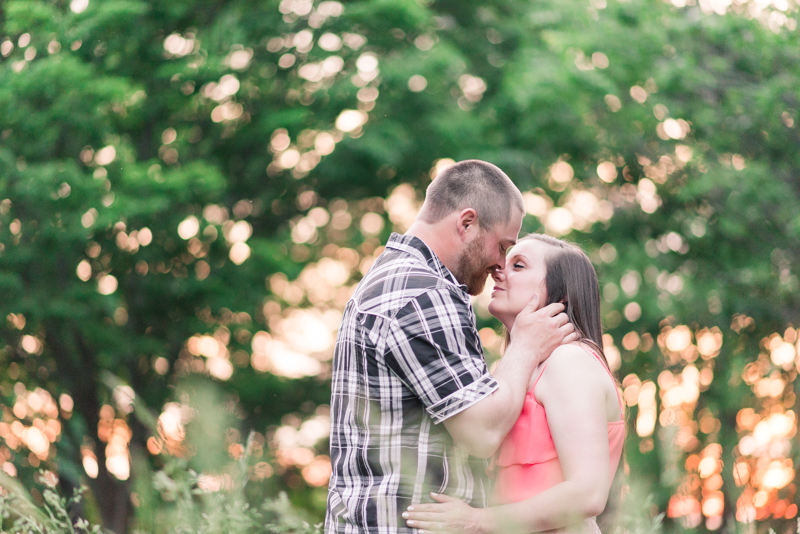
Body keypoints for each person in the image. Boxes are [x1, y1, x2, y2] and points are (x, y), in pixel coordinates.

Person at [325, 161, 576, 533]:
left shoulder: (395, 279)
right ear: (467, 223)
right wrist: (524, 346)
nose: (499, 265)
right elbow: (482, 434)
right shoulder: (423, 294)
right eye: (502, 246)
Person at [402, 234, 625, 534]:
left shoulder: (569, 362)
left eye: (518, 265)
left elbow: (588, 493)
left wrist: (476, 521)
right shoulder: (516, 369)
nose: (498, 271)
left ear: (562, 297)